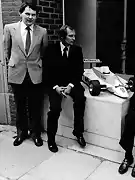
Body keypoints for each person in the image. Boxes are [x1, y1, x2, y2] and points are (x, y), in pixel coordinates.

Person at [3, 2, 48, 147]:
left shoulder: (42, 31)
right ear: (20, 13)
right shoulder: (9, 28)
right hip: (17, 72)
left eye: (33, 15)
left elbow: (43, 52)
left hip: (35, 73)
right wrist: (14, 63)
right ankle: (21, 133)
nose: (30, 17)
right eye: (27, 14)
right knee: (20, 105)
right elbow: (7, 51)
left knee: (35, 106)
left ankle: (36, 134)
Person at [43, 25, 86, 153]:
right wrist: (56, 87)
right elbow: (46, 72)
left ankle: (78, 132)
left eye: (74, 35)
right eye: (70, 36)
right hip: (55, 84)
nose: (74, 38)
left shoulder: (77, 50)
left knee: (80, 99)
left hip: (71, 84)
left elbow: (79, 71)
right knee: (55, 109)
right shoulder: (51, 50)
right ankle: (51, 139)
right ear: (62, 37)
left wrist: (70, 86)